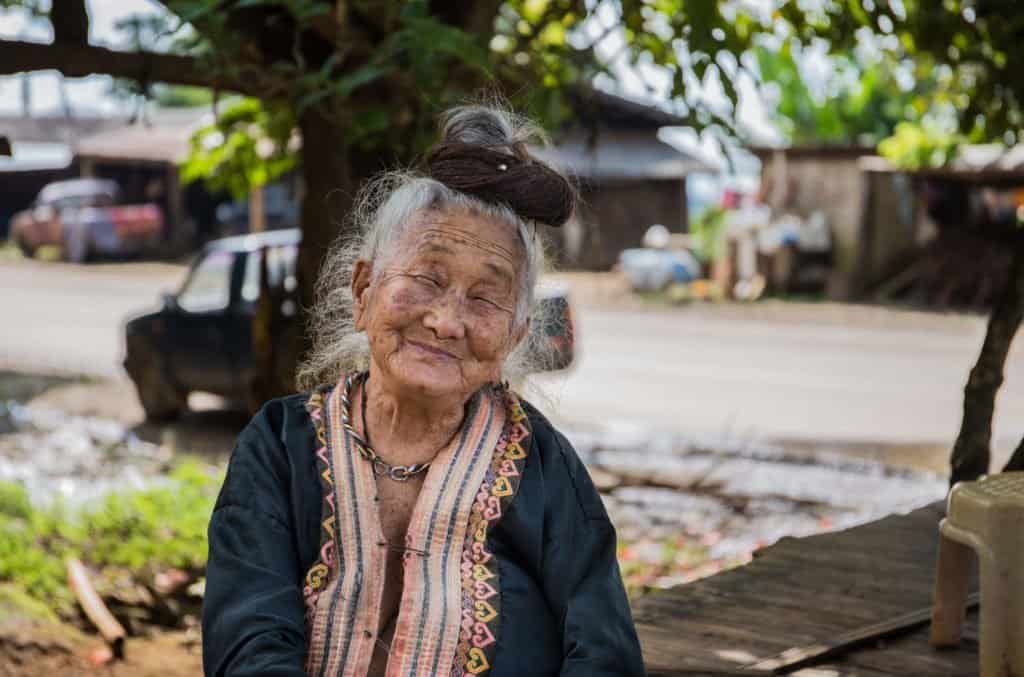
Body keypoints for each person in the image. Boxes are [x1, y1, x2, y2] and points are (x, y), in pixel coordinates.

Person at [201, 104, 645, 677]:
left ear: (515, 334)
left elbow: (606, 655)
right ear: (364, 290)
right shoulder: (280, 447)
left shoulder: (543, 466)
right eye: (426, 279)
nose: (446, 321)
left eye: (485, 298)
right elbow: (246, 642)